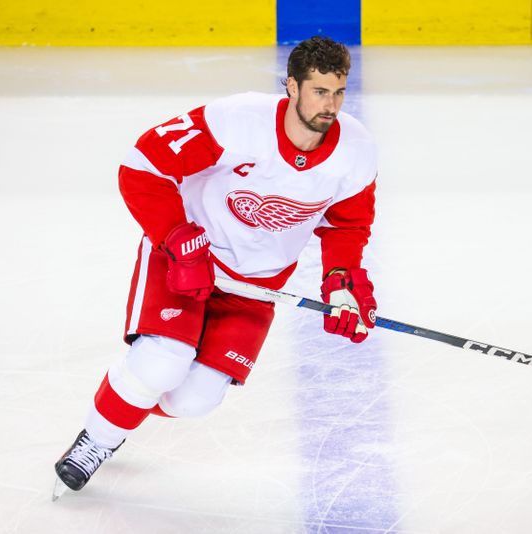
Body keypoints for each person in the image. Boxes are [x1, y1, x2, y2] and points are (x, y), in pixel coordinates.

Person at [53, 35, 378, 498]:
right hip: (190, 259)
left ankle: (128, 398)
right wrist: (177, 236)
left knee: (194, 399)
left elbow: (347, 226)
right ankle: (98, 439)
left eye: (339, 92)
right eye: (319, 91)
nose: (330, 105)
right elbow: (143, 166)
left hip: (257, 285)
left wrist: (341, 282)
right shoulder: (237, 120)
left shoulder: (356, 151)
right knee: (161, 363)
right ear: (292, 86)